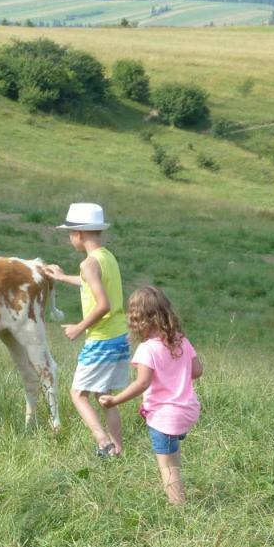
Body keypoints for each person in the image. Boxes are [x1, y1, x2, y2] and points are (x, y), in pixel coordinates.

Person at [99, 286, 202, 504]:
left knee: (168, 467)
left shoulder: (147, 349)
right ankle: (178, 492)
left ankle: (180, 511)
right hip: (189, 411)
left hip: (165, 417)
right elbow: (197, 371)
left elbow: (142, 382)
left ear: (138, 319)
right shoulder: (181, 340)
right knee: (173, 457)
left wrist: (115, 400)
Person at [44, 203, 130, 459]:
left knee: (78, 393)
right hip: (119, 336)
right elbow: (89, 283)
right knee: (105, 397)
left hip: (101, 339)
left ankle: (103, 443)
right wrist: (61, 277)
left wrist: (78, 328)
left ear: (79, 234)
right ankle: (118, 449)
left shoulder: (88, 263)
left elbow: (103, 304)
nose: (70, 238)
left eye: (70, 233)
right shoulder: (107, 257)